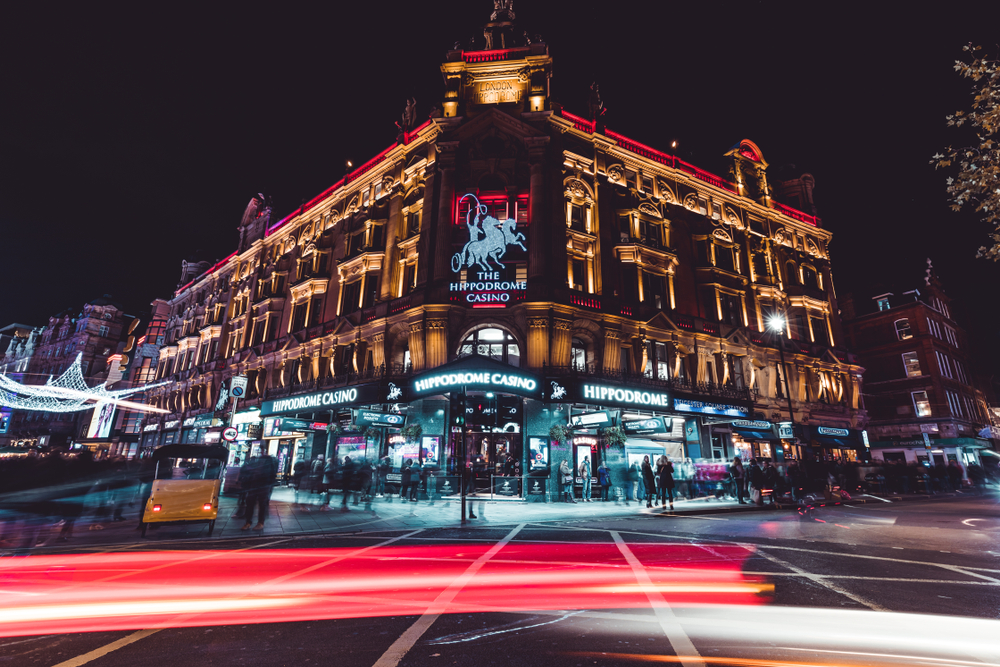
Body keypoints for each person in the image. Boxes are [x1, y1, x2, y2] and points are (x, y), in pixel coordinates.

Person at [242, 454, 277, 530]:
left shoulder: (267, 465)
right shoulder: (262, 464)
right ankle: (250, 522)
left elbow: (271, 477)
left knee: (260, 505)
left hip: (262, 486)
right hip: (255, 486)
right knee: (251, 504)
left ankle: (259, 523)